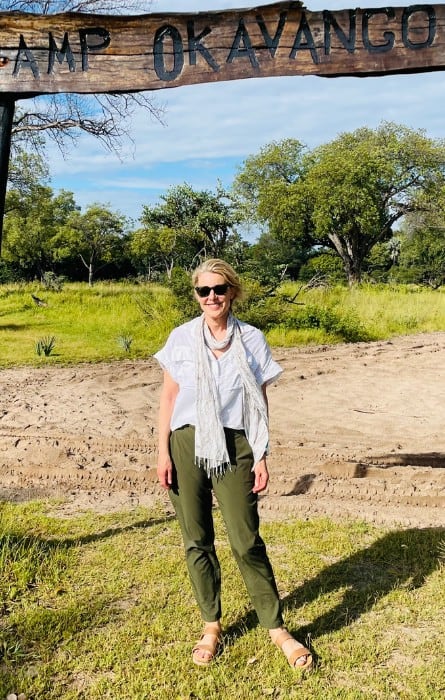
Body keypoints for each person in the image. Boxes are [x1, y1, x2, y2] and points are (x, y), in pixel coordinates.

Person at [154, 258, 312, 670]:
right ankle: (211, 624)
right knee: (196, 538)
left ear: (233, 292)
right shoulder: (181, 338)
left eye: (219, 290)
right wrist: (162, 450)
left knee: (245, 540)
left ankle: (276, 628)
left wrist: (261, 454)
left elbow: (258, 402)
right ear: (196, 294)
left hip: (237, 443)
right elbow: (169, 398)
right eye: (203, 291)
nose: (211, 298)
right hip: (186, 439)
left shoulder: (253, 339)